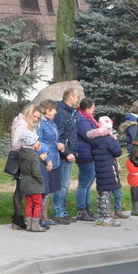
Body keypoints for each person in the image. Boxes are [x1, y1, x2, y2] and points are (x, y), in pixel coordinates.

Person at [10, 104, 42, 230]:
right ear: (29, 114)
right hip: (22, 159)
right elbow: (15, 144)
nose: (35, 119)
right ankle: (17, 219)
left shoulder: (28, 124)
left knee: (21, 190)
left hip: (26, 158)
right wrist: (32, 145)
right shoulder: (22, 124)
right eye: (34, 116)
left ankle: (19, 219)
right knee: (20, 190)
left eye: (38, 118)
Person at [89, 116, 125, 226]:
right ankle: (106, 217)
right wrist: (115, 140)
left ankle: (101, 216)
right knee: (107, 192)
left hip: (99, 167)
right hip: (109, 167)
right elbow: (117, 152)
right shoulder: (109, 139)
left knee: (102, 191)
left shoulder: (94, 139)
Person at [52, 88, 79, 222]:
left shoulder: (69, 112)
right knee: (62, 185)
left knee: (66, 184)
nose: (77, 100)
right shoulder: (62, 113)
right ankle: (58, 213)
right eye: (76, 97)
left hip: (70, 153)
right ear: (70, 97)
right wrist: (67, 152)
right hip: (64, 155)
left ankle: (63, 211)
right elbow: (60, 134)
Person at [38, 99, 64, 226]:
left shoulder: (52, 123)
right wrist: (47, 159)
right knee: (45, 190)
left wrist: (60, 145)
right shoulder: (40, 124)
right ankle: (39, 218)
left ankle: (45, 216)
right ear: (47, 110)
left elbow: (55, 139)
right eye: (54, 109)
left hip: (55, 159)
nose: (56, 112)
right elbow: (40, 142)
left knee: (50, 190)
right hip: (46, 160)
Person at [75, 98, 99, 221]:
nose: (94, 110)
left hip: (90, 153)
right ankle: (81, 210)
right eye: (93, 107)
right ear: (87, 108)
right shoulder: (82, 120)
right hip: (85, 154)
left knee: (88, 183)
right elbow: (89, 135)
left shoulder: (87, 119)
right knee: (84, 183)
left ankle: (87, 208)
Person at [18, 130, 46, 233]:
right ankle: (35, 225)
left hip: (25, 181)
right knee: (38, 203)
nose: (39, 142)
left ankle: (29, 225)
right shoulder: (33, 155)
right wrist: (41, 180)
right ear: (31, 142)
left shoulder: (22, 153)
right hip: (34, 183)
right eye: (37, 140)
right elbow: (36, 172)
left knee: (29, 203)